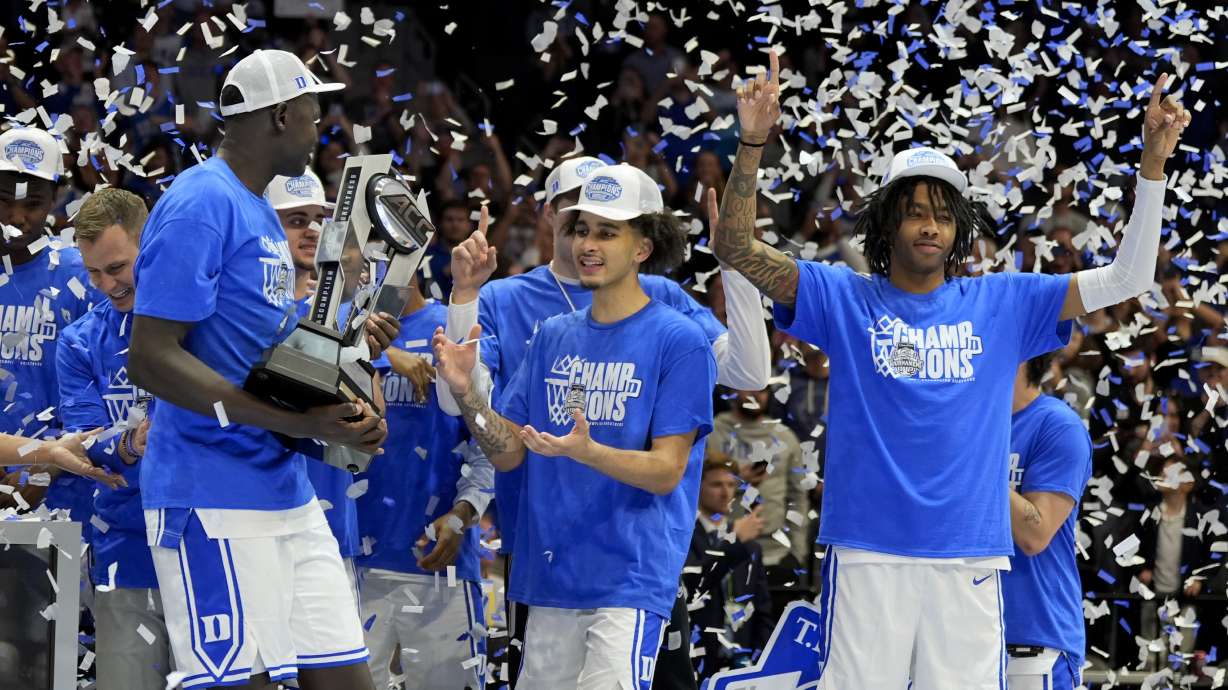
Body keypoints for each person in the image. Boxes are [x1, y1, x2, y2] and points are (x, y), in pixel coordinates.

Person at [710, 49, 1189, 687]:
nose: (929, 225)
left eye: (941, 213)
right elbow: (736, 247)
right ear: (887, 222)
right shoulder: (843, 294)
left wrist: (1153, 165)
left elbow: (1129, 276)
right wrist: (752, 143)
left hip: (970, 554)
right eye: (914, 211)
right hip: (867, 552)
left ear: (958, 227)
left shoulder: (1004, 301)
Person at [435, 155, 772, 687]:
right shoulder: (550, 334)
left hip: (629, 580)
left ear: (642, 247)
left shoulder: (678, 335)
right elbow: (509, 451)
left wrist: (585, 451)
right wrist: (468, 396)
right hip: (547, 575)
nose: (587, 244)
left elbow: (667, 470)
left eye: (607, 233)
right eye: (581, 230)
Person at [127, 50, 397, 690]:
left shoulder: (255, 210)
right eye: (312, 113)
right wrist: (295, 422)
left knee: (349, 680)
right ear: (281, 115)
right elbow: (151, 358)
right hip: (209, 492)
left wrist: (341, 409)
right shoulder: (201, 202)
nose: (319, 126)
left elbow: (260, 354)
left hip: (283, 489)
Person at [57, 187, 173, 689]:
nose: (107, 284)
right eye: (93, 273)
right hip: (124, 547)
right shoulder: (81, 341)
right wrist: (129, 445)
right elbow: (81, 441)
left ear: (150, 246)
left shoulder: (205, 323)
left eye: (118, 267)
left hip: (208, 542)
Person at [355, 270, 493, 690]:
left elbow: (488, 439)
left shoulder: (452, 329)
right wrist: (383, 356)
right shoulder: (338, 329)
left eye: (377, 255)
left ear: (411, 261)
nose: (364, 270)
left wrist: (463, 514)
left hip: (438, 563)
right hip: (346, 564)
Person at [0, 126, 99, 518]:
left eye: (33, 203)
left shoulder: (82, 276)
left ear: (56, 199)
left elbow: (107, 388)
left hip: (64, 493)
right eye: (4, 201)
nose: (17, 217)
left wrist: (46, 467)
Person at [1001, 356, 1092, 689]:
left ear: (1021, 357)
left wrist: (976, 461)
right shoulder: (968, 423)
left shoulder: (1058, 426)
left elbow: (1035, 534)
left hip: (1033, 643)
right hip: (961, 638)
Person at [685, 458, 772, 681]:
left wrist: (761, 661)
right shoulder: (683, 536)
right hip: (696, 655)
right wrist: (735, 544)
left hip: (741, 661)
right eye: (716, 485)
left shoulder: (749, 544)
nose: (725, 493)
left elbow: (761, 609)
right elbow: (694, 587)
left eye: (731, 485)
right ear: (698, 486)